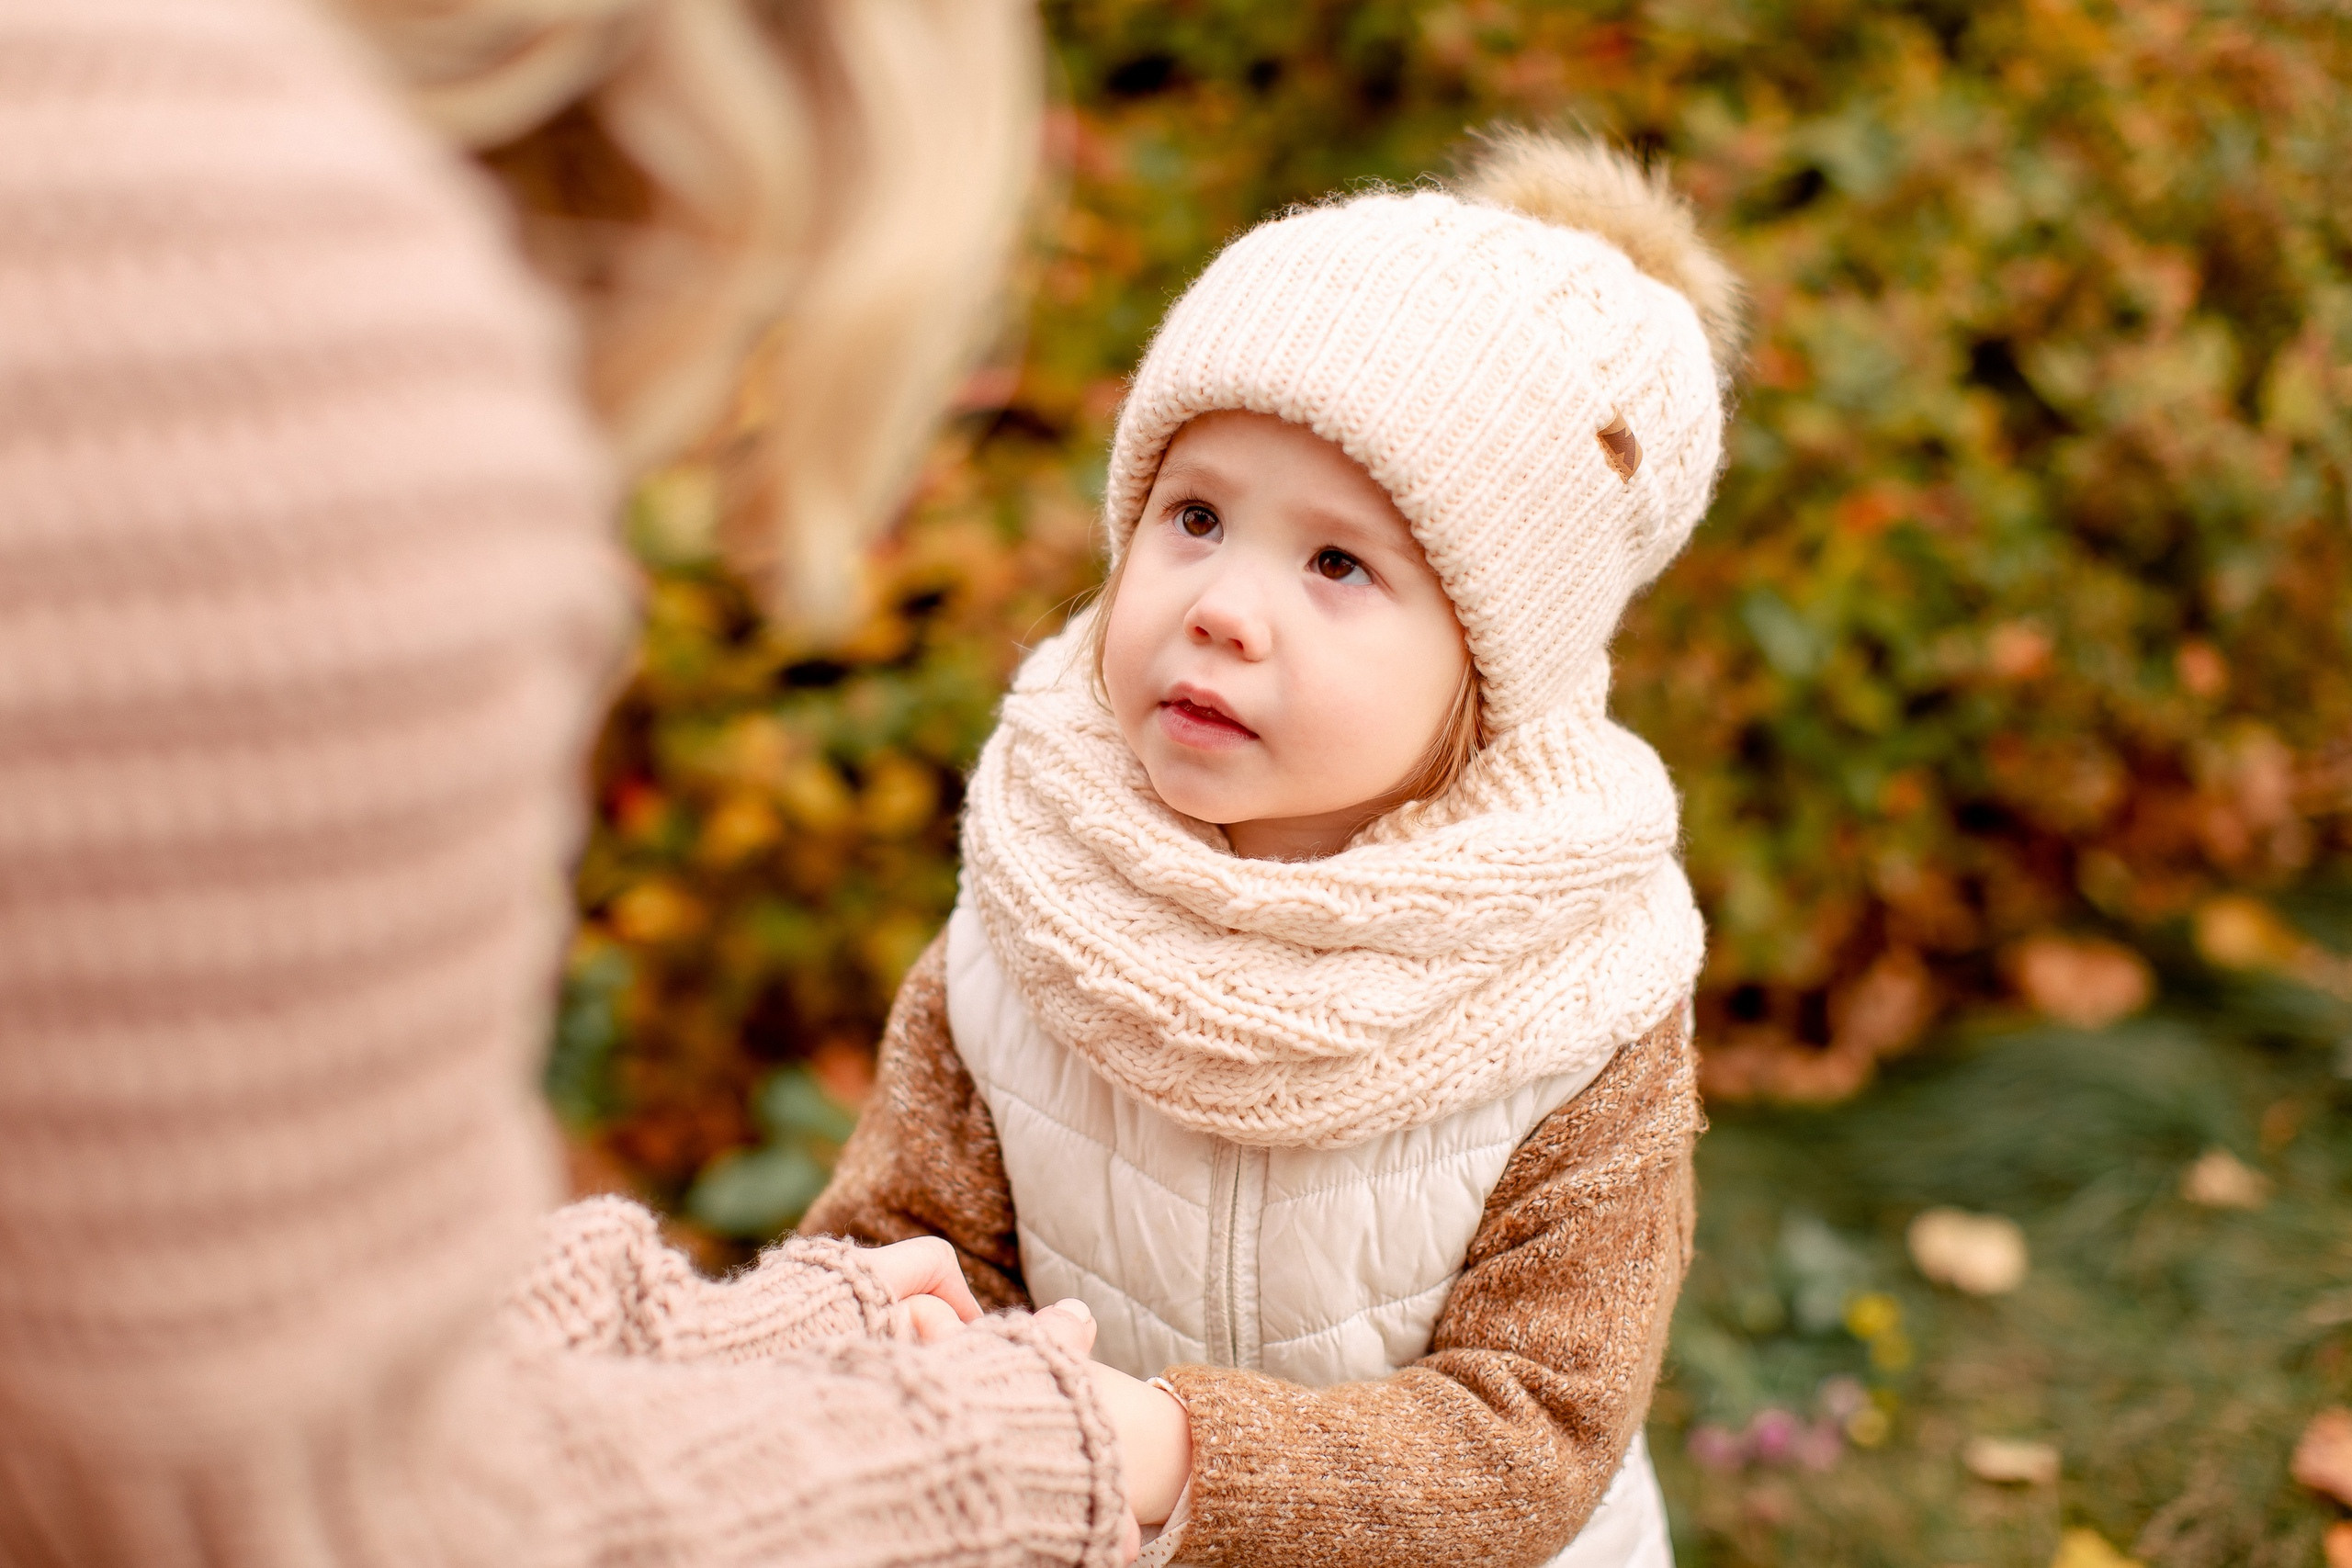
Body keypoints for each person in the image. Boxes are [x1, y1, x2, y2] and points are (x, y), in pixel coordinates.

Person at [0, 0, 1155, 1560]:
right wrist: (1011, 1460)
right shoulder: (270, 364)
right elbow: (289, 1521)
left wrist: (713, 1340)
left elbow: (132, 1299)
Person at [805, 130, 1746, 1567]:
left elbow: (1535, 1430)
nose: (1226, 607)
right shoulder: (1040, 898)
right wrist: (895, 1317)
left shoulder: (1577, 998)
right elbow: (901, 1228)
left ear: (1497, 667)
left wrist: (1174, 1453)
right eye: (1194, 516)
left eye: (1336, 563)